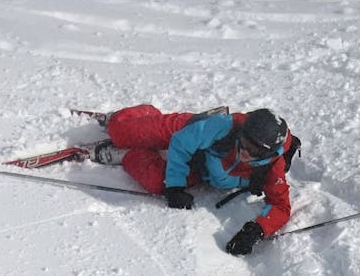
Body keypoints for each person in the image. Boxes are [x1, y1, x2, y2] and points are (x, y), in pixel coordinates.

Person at [91, 104, 299, 256]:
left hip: (201, 168)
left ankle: (126, 153)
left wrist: (257, 230)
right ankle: (128, 117)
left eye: (254, 151)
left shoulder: (272, 167)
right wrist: (175, 185)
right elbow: (181, 142)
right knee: (121, 131)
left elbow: (281, 206)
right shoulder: (226, 127)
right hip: (192, 129)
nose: (245, 152)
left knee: (155, 182)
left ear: (269, 153)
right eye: (244, 142)